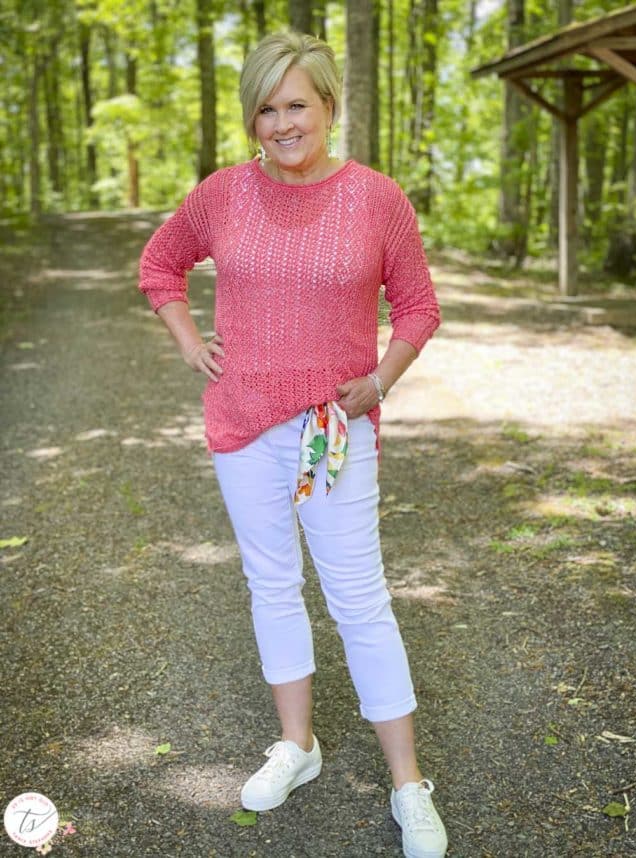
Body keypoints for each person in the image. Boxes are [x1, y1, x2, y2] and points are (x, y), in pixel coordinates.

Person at [138, 29, 447, 858]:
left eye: (296, 105)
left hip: (332, 433)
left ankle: (409, 786)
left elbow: (418, 308)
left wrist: (380, 381)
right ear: (252, 118)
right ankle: (297, 747)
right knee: (271, 584)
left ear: (328, 106)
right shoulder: (222, 195)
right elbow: (160, 266)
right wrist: (188, 341)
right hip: (243, 427)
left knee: (359, 600)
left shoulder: (378, 199)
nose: (281, 122)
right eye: (265, 108)